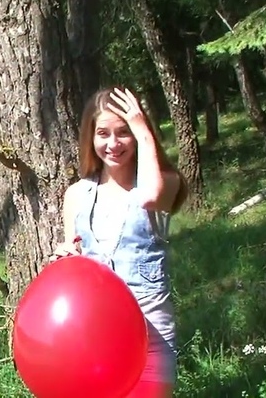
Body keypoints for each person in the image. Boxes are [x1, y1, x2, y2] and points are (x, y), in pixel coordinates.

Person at [50, 86, 188, 398]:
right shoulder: (77, 195)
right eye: (103, 133)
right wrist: (66, 259)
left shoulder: (163, 182)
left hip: (150, 338)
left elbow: (151, 197)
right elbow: (75, 261)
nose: (113, 144)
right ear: (91, 137)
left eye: (123, 132)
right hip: (95, 338)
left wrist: (141, 126)